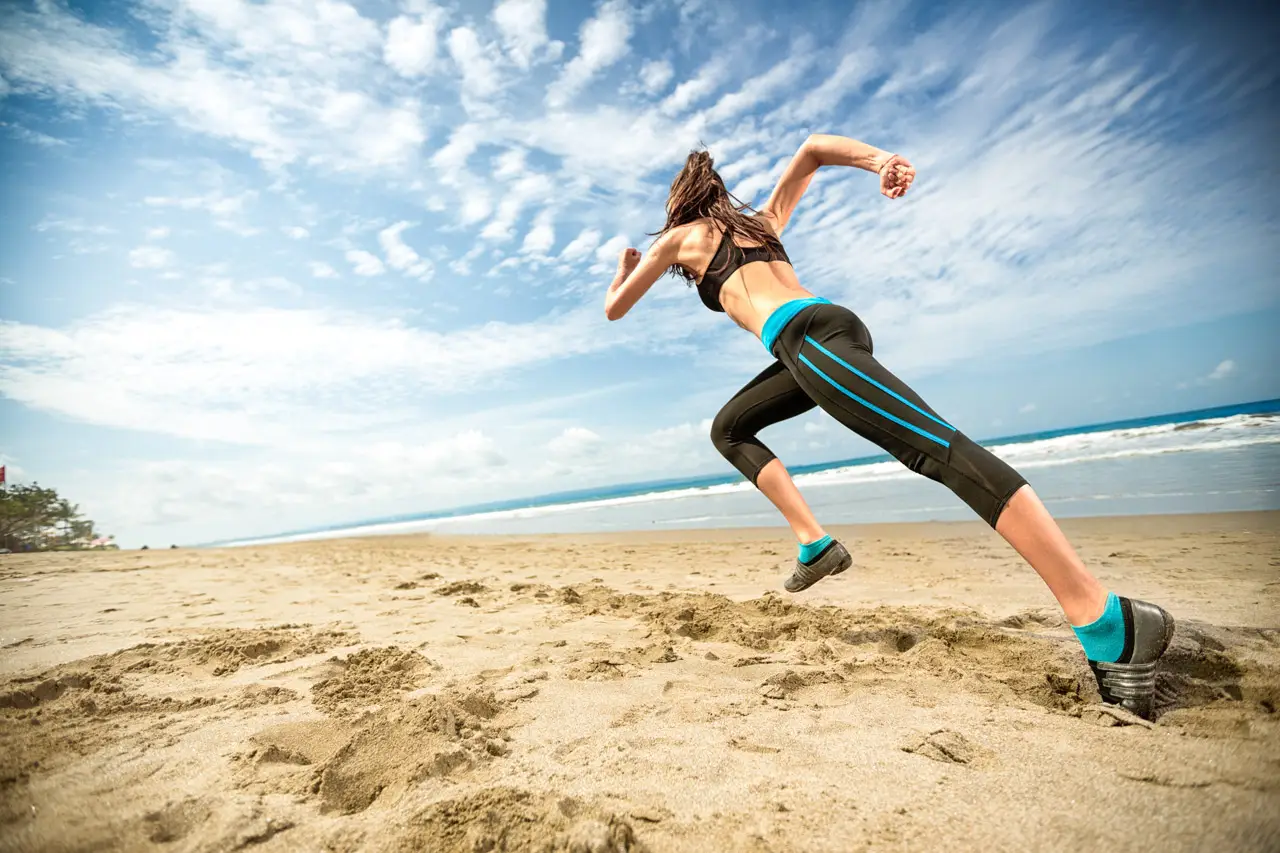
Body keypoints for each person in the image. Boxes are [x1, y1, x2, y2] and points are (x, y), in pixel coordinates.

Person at [602, 134, 1175, 720]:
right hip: (822, 336)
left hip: (806, 341)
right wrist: (883, 162)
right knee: (730, 428)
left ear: (681, 206)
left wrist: (623, 272)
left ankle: (1107, 620)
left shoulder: (680, 237)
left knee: (940, 452)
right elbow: (812, 151)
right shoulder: (764, 224)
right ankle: (815, 544)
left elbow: (615, 309)